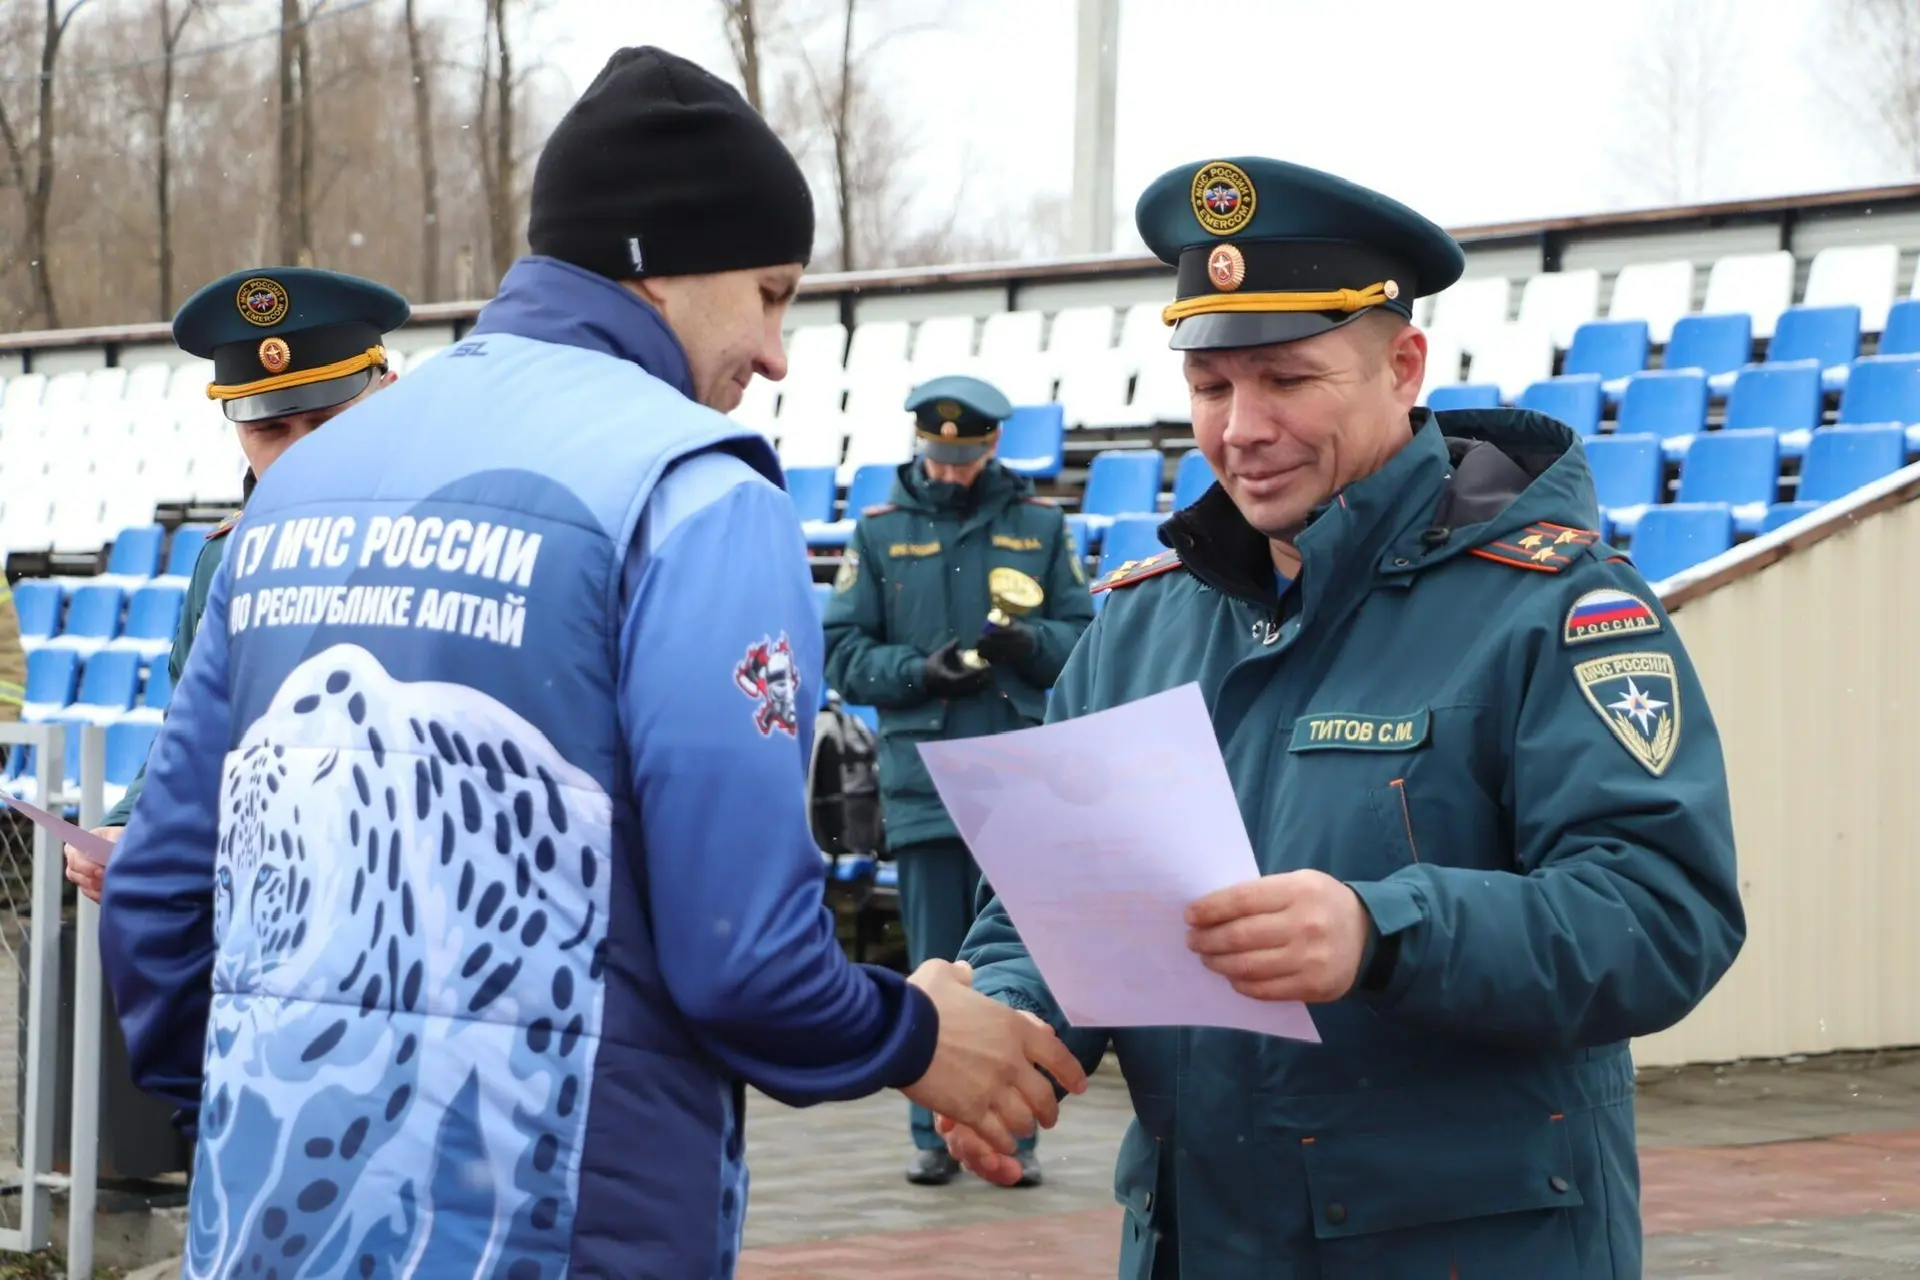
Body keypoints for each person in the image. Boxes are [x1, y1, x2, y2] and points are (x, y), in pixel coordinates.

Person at [97, 46, 1084, 1280]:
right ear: (655, 266)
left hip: (270, 1225)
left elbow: (155, 902)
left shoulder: (292, 492)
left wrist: (260, 1132)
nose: (776, 352)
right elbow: (746, 963)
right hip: (566, 1225)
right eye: (770, 292)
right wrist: (922, 1033)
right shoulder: (694, 492)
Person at [941, 156, 1747, 1277]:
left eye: (1288, 379)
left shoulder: (1555, 607)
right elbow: (1054, 911)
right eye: (1214, 388)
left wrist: (1383, 931)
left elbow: (1663, 915)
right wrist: (1010, 1033)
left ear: (1404, 365)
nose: (1243, 429)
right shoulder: (1138, 628)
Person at [822, 373, 1095, 1187]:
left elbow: (1082, 638)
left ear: (993, 447)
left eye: (965, 457)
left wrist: (1029, 646)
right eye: (939, 458)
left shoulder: (1039, 526)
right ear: (921, 447)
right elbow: (842, 653)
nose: (951, 473)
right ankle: (933, 1131)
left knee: (1024, 951)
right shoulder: (879, 534)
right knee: (940, 955)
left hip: (1019, 770)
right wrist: (919, 672)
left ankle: (1016, 1131)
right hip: (927, 776)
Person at [62, 266, 408, 904]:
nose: (300, 451)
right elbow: (194, 730)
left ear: (387, 390)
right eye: (269, 429)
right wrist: (132, 822)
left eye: (329, 419)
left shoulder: (453, 539)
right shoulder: (225, 560)